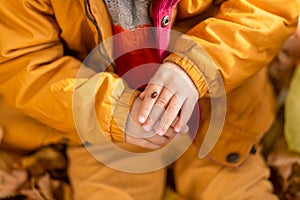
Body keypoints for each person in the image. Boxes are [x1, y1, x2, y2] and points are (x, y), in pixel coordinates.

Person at [0, 0, 299, 199]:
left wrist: (197, 65)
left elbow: (268, 9)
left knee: (238, 189)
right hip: (105, 126)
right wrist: (112, 110)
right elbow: (23, 60)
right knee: (109, 191)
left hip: (219, 112)